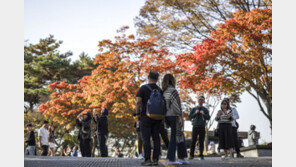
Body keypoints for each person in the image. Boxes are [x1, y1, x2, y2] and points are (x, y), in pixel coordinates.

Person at [135, 71, 163, 166]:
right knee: (156, 138)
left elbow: (138, 101)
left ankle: (147, 160)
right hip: (158, 117)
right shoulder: (159, 90)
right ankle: (155, 159)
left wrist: (137, 113)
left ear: (148, 77)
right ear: (157, 79)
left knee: (146, 138)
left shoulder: (143, 88)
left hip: (145, 117)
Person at [162, 74, 189, 165]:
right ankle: (171, 159)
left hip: (167, 116)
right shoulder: (173, 91)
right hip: (174, 115)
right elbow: (176, 106)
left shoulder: (164, 92)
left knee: (179, 135)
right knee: (175, 136)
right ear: (172, 80)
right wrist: (180, 116)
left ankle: (182, 157)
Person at [189, 95, 210, 160]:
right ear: (198, 100)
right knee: (193, 141)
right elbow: (190, 117)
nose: (200, 100)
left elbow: (208, 118)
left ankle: (201, 155)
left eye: (202, 99)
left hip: (202, 126)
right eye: (199, 99)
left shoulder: (205, 109)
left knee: (201, 141)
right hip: (195, 126)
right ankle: (191, 155)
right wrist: (195, 113)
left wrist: (203, 114)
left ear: (204, 101)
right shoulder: (194, 109)